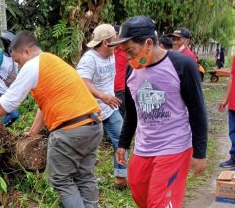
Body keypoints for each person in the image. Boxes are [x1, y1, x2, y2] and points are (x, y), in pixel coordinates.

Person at [0, 31, 103, 208]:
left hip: (71, 130)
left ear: (26, 51)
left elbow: (11, 100)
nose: (18, 66)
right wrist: (33, 132)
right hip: (93, 124)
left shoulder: (33, 65)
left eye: (17, 60)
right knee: (85, 175)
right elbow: (44, 105)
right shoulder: (52, 62)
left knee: (60, 179)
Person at [109, 16, 208, 208]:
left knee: (160, 203)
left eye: (130, 51)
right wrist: (123, 143)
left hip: (174, 146)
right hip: (144, 147)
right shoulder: (131, 70)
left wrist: (200, 152)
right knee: (139, 193)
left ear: (147, 43)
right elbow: (132, 112)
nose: (128, 58)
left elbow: (197, 111)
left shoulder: (182, 65)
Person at [76, 24, 127, 188]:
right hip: (91, 110)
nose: (117, 40)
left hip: (109, 109)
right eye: (115, 38)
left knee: (122, 140)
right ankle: (83, 181)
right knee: (88, 148)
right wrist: (102, 96)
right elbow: (83, 82)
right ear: (106, 42)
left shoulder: (112, 53)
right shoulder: (89, 59)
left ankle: (120, 177)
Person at [218, 57, 235, 168]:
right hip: (233, 102)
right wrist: (225, 99)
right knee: (232, 132)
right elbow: (231, 78)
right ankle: (233, 157)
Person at [113, 25, 128, 118]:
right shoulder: (109, 51)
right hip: (109, 90)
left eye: (116, 35)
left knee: (120, 115)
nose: (114, 37)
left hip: (121, 90)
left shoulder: (126, 51)